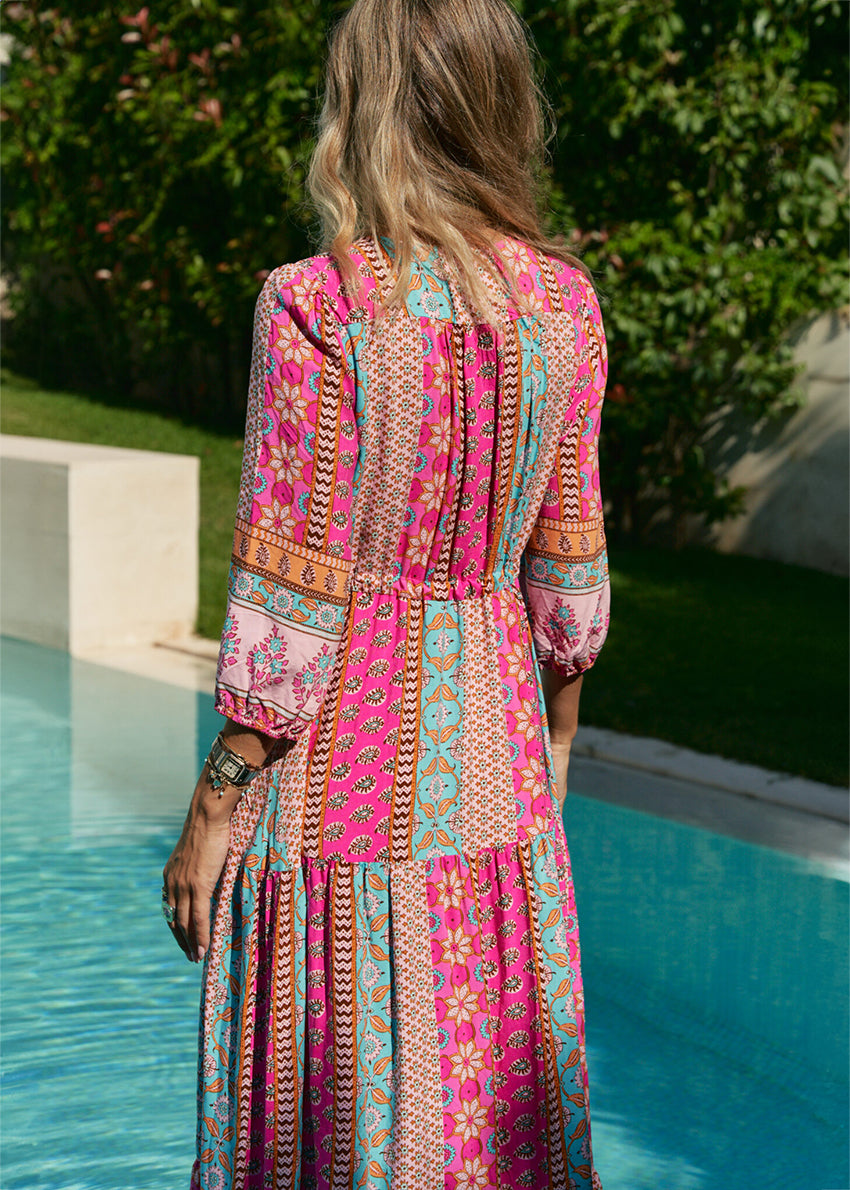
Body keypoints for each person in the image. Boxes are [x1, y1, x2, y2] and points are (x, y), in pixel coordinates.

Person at [162, 1, 610, 1186]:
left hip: (337, 801)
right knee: (485, 1114)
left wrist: (212, 806)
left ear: (360, 106)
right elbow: (568, 578)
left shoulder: (318, 307)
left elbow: (293, 600)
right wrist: (555, 747)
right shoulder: (563, 308)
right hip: (501, 772)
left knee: (333, 1120)